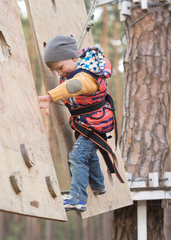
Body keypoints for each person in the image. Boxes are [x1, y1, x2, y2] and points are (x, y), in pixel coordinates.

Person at [38, 35, 121, 212]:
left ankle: (77, 198)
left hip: (95, 125)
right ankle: (98, 185)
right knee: (89, 155)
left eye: (60, 68)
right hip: (91, 124)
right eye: (56, 71)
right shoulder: (77, 68)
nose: (60, 73)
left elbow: (74, 86)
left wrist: (50, 97)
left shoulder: (86, 77)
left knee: (77, 157)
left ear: (74, 58)